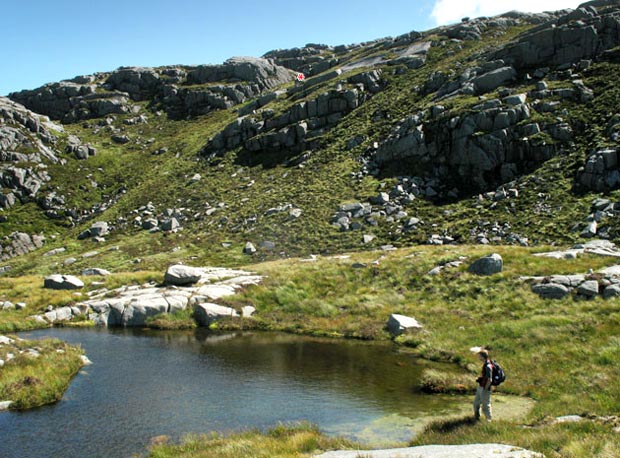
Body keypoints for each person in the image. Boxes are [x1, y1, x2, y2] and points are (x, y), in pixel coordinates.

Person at [473, 349, 493, 422]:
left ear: (482, 356)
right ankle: (476, 418)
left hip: (485, 389)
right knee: (476, 403)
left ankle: (489, 421)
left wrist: (485, 389)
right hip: (480, 387)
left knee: (486, 405)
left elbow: (490, 380)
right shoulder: (485, 364)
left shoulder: (488, 366)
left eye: (479, 356)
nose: (478, 357)